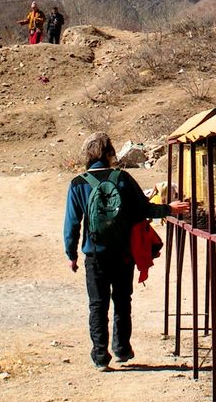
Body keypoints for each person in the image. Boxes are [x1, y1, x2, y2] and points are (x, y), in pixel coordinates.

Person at [63, 132, 189, 371]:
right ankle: (122, 349)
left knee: (97, 305)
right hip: (123, 254)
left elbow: (72, 223)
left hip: (95, 255)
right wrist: (169, 209)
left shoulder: (78, 183)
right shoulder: (123, 178)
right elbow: (143, 209)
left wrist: (71, 254)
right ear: (110, 153)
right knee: (122, 300)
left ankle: (100, 356)